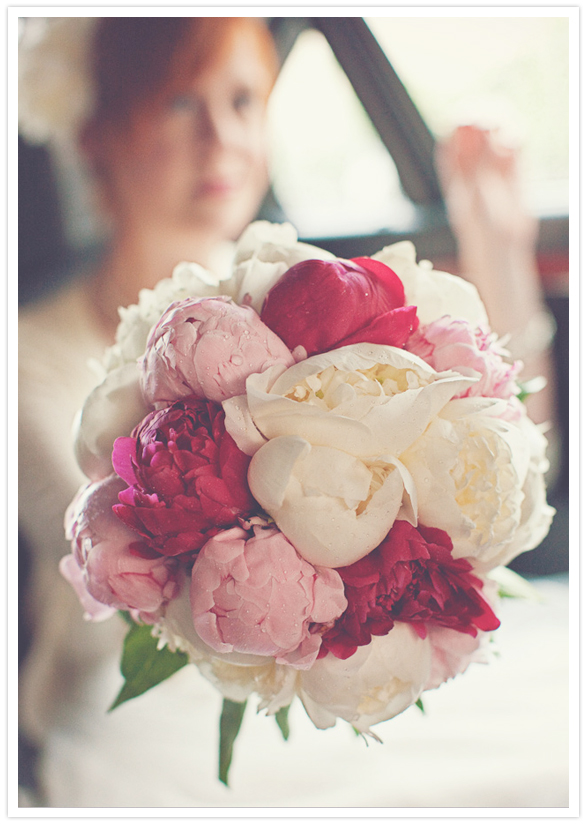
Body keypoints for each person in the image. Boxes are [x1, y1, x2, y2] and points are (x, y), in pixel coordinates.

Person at [18, 17, 565, 809]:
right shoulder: (25, 354)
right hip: (126, 712)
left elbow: (515, 446)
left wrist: (494, 240)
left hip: (314, 702)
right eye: (179, 101)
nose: (221, 137)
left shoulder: (304, 295)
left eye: (243, 101)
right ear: (98, 133)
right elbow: (76, 512)